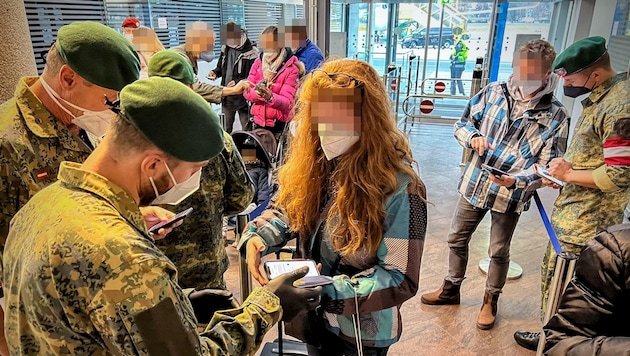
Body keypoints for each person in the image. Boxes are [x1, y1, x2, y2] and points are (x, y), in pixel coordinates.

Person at [2, 77, 321, 355]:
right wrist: (267, 305)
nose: (191, 181)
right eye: (194, 170)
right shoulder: (123, 254)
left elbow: (87, 303)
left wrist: (178, 300)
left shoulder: (43, 204)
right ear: (153, 165)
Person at [239, 59, 427, 355]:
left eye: (341, 117)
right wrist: (256, 236)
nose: (329, 129)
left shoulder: (400, 187)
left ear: (368, 118)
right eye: (321, 117)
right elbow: (288, 209)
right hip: (312, 320)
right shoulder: (316, 162)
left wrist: (323, 290)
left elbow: (400, 277)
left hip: (360, 332)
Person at [0, 21, 144, 356]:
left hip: (99, 311)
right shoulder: (8, 143)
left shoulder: (80, 120)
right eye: (110, 101)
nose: (114, 113)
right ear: (67, 79)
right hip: (43, 327)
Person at [420, 39, 570, 330]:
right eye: (520, 67)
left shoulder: (556, 114)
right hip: (475, 184)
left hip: (511, 194)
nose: (523, 74)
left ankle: (491, 300)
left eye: (533, 70)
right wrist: (472, 138)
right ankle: (450, 289)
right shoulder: (493, 92)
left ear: (548, 71)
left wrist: (518, 180)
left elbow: (549, 165)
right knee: (456, 239)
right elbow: (462, 124)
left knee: (498, 251)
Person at [514, 36, 630, 351]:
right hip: (574, 210)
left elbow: (620, 174)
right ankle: (551, 335)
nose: (565, 83)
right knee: (555, 283)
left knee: (567, 289)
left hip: (587, 221)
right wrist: (566, 172)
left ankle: (558, 344)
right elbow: (599, 157)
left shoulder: (620, 104)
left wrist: (569, 174)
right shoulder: (603, 96)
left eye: (571, 77)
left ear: (595, 74)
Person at [147, 50, 255, 292]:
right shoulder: (217, 141)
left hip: (153, 273)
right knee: (217, 327)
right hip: (207, 268)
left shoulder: (134, 143)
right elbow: (241, 199)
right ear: (191, 88)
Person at [542, 224, 630, 355]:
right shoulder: (614, 248)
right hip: (580, 238)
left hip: (602, 229)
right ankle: (543, 328)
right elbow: (561, 342)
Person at [170, 21, 252, 105]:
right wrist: (233, 90)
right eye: (210, 44)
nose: (213, 47)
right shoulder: (179, 58)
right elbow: (196, 87)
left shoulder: (189, 57)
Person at [242, 25, 304, 136]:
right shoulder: (258, 63)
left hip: (279, 126)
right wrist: (257, 93)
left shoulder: (291, 69)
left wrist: (270, 97)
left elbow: (288, 102)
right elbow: (246, 90)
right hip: (257, 123)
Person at [208, 22, 259, 132]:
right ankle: (228, 149)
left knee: (247, 130)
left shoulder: (252, 52)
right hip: (227, 95)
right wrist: (215, 72)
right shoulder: (225, 48)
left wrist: (237, 82)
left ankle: (245, 149)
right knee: (225, 129)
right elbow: (221, 67)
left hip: (244, 97)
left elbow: (254, 77)